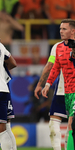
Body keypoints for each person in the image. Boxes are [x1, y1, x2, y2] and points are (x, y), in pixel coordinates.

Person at [34, 19, 75, 150]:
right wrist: (46, 84)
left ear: (73, 31)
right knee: (55, 123)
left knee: (71, 125)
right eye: (60, 29)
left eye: (64, 29)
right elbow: (53, 66)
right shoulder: (57, 47)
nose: (60, 31)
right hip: (63, 90)